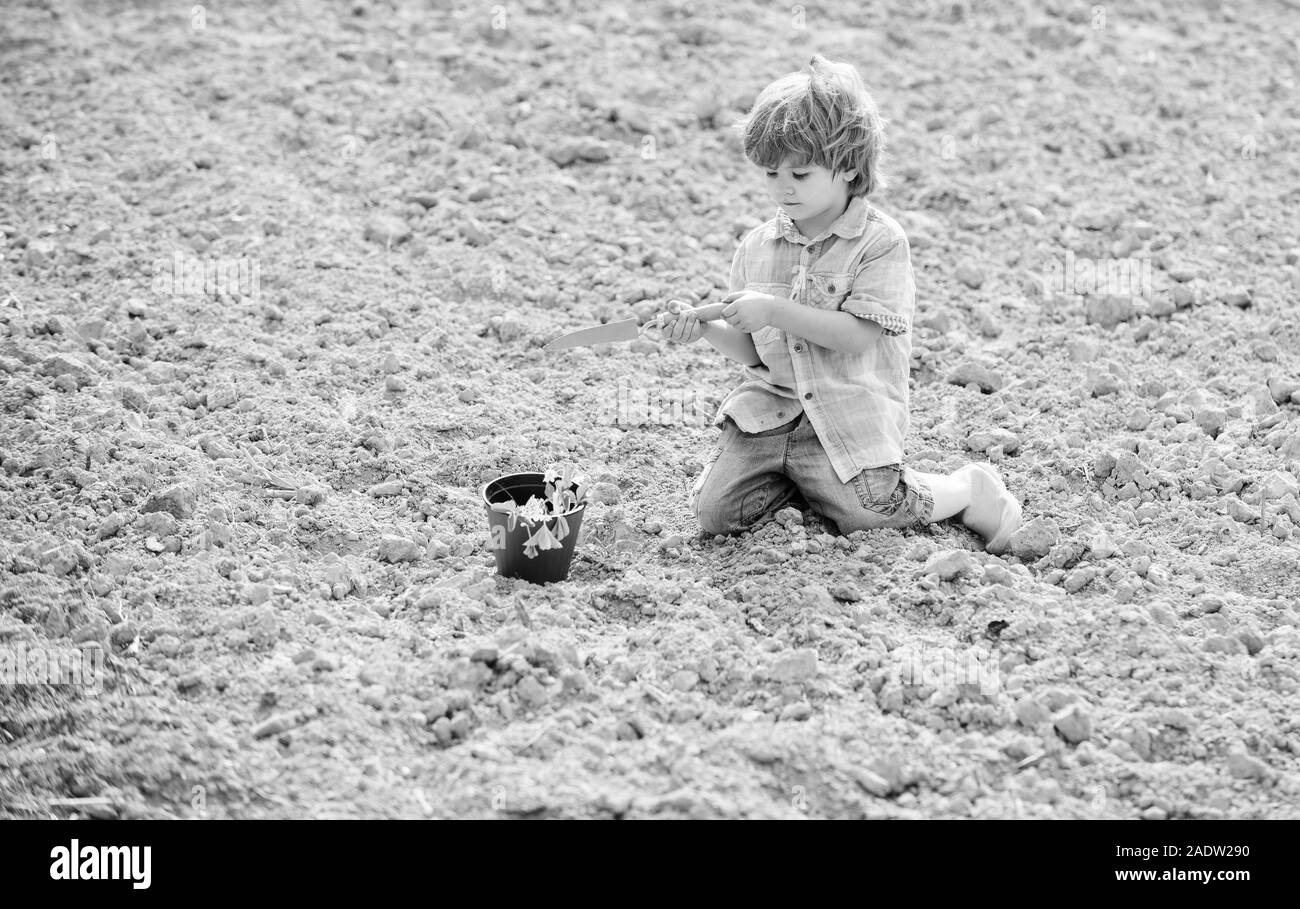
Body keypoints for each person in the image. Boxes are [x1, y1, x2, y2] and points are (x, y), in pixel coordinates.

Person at [657, 55, 1022, 553]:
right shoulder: (757, 247)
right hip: (772, 413)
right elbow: (752, 354)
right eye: (770, 173)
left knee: (869, 513)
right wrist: (702, 329)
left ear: (848, 166)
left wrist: (774, 309)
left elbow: (857, 336)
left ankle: (966, 488)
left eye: (801, 174)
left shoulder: (879, 242)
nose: (783, 187)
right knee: (716, 514)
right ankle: (807, 483)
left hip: (845, 415)